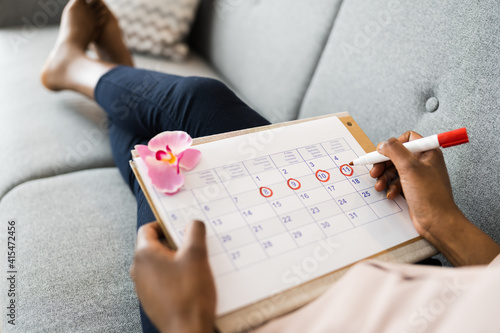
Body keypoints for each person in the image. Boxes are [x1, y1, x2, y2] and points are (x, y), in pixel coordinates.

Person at [42, 1, 500, 332]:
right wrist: (442, 219)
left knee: (168, 166)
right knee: (201, 104)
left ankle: (87, 71)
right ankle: (101, 73)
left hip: (248, 317)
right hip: (398, 268)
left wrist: (186, 322)